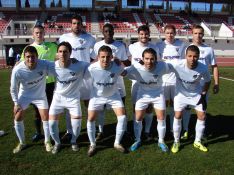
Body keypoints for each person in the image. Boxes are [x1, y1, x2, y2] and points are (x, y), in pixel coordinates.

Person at [59, 14, 96, 141]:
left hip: (86, 77)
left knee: (89, 104)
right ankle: (70, 131)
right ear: (71, 24)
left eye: (78, 23)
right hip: (71, 77)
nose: (76, 26)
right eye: (74, 23)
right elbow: (59, 54)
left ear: (82, 24)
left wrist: (89, 63)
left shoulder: (89, 38)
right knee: (70, 105)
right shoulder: (64, 37)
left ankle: (91, 128)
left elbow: (95, 55)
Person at [91, 23, 130, 141]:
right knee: (101, 109)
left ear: (113, 32)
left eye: (110, 31)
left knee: (121, 107)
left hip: (118, 82)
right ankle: (101, 131)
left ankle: (124, 130)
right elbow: (93, 61)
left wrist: (119, 61)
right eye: (106, 31)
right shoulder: (97, 45)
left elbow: (127, 63)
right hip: (102, 83)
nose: (108, 33)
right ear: (103, 33)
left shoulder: (120, 45)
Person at [124, 48, 169, 152]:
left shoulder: (162, 66)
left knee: (161, 117)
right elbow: (124, 72)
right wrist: (117, 66)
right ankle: (137, 139)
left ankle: (161, 141)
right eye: (147, 59)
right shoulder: (136, 66)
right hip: (142, 95)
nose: (149, 61)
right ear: (142, 59)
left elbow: (174, 68)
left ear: (156, 59)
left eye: (152, 59)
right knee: (138, 117)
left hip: (158, 95)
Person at [10, 46, 53, 154]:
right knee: (18, 116)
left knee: (45, 117)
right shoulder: (18, 69)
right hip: (25, 95)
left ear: (37, 57)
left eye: (33, 57)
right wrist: (16, 103)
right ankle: (22, 142)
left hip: (40, 96)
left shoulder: (44, 64)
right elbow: (13, 88)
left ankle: (47, 141)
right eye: (27, 57)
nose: (30, 59)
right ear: (24, 57)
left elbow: (58, 65)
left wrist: (71, 61)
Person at [168, 45, 211, 153]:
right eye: (190, 56)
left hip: (196, 94)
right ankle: (176, 141)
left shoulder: (203, 68)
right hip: (180, 95)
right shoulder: (177, 64)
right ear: (185, 56)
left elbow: (208, 80)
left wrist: (204, 92)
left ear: (198, 56)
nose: (192, 59)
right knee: (177, 115)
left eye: (195, 56)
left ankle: (197, 141)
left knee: (202, 116)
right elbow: (161, 65)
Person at [48, 42, 89, 154]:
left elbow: (96, 64)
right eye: (60, 51)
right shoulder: (52, 65)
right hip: (58, 98)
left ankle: (74, 141)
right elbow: (36, 62)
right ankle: (57, 143)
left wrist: (114, 60)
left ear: (70, 53)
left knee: (76, 123)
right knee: (51, 123)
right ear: (57, 53)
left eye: (65, 51)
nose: (62, 54)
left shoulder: (80, 65)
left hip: (73, 98)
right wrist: (19, 63)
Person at [86, 45, 127, 157]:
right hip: (97, 96)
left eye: (108, 57)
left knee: (122, 117)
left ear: (111, 57)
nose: (105, 59)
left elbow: (125, 73)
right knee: (90, 119)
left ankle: (117, 143)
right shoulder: (91, 68)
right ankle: (92, 144)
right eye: (102, 57)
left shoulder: (117, 66)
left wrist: (120, 62)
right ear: (98, 57)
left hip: (113, 95)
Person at [181, 25, 219, 140]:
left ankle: (200, 133)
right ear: (192, 34)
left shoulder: (209, 49)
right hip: (189, 84)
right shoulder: (186, 48)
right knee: (187, 108)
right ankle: (185, 130)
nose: (198, 35)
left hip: (204, 85)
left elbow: (214, 66)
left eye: (200, 33)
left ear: (203, 35)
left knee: (202, 109)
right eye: (196, 33)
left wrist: (216, 83)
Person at [21, 25, 57, 142]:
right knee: (37, 111)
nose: (39, 34)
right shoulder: (28, 48)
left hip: (49, 83)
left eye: (41, 32)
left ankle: (51, 133)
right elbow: (23, 64)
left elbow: (62, 55)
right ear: (33, 34)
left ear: (44, 33)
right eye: (36, 33)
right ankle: (38, 133)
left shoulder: (51, 46)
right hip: (35, 85)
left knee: (50, 110)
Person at [155, 24, 186, 133]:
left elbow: (183, 63)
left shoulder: (181, 45)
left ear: (175, 33)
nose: (169, 35)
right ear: (164, 33)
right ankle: (163, 128)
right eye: (167, 33)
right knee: (163, 105)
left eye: (172, 33)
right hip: (163, 81)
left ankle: (173, 128)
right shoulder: (159, 45)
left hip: (176, 81)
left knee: (174, 105)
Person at [128, 25, 156, 141]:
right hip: (136, 82)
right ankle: (137, 132)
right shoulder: (132, 47)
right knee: (136, 108)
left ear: (149, 34)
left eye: (146, 34)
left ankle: (147, 131)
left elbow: (156, 63)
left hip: (149, 82)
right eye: (141, 34)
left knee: (149, 107)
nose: (144, 36)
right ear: (138, 35)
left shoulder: (154, 47)